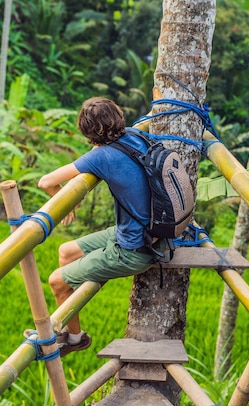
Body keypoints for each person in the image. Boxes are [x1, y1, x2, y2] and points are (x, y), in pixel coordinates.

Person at [35, 97, 160, 356]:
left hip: (133, 250)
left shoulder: (102, 156)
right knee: (66, 251)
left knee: (57, 281)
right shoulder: (136, 135)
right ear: (118, 116)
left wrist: (66, 201)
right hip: (148, 233)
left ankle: (75, 337)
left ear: (88, 132)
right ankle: (71, 315)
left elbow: (46, 182)